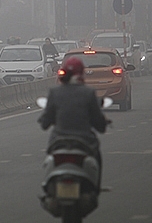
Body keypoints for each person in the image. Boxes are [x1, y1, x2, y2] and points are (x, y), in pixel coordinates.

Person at [38, 56, 109, 189]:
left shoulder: (55, 92)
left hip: (58, 141)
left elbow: (45, 122)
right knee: (96, 155)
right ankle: (96, 187)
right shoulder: (88, 93)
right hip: (85, 141)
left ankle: (48, 186)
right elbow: (99, 123)